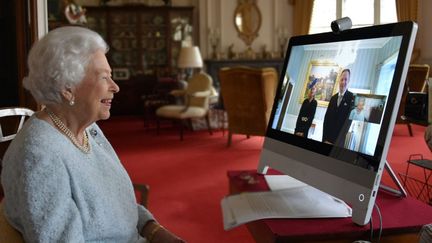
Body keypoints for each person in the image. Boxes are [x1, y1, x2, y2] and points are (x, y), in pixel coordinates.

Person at [1, 26, 184, 243]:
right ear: (67, 88)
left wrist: (153, 229)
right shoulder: (39, 156)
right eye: (104, 78)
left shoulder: (87, 128)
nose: (115, 87)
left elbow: (116, 204)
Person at [322, 68, 355, 146]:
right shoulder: (333, 98)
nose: (343, 82)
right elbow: (326, 120)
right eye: (342, 79)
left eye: (346, 79)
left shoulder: (352, 98)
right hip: (327, 140)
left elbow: (348, 124)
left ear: (349, 81)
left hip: (339, 142)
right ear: (339, 80)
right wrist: (324, 139)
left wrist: (337, 142)